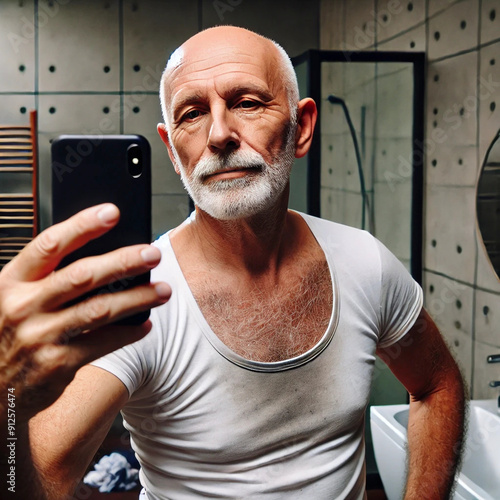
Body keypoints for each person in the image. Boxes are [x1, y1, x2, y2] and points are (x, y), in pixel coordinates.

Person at [0, 26, 465, 500]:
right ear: (173, 154)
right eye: (193, 113)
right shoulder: (140, 303)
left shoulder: (365, 261)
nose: (219, 134)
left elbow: (436, 385)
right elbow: (33, 480)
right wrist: (3, 399)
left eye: (247, 102)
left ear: (300, 128)